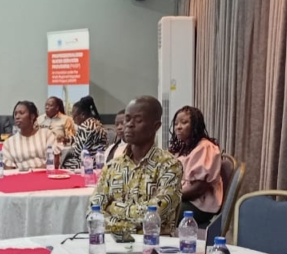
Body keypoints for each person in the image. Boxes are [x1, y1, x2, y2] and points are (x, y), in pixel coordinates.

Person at [90, 96, 183, 236]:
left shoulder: (170, 166)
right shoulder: (112, 166)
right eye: (127, 119)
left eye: (138, 120)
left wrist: (113, 208)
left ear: (156, 126)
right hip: (114, 243)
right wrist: (131, 226)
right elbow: (93, 210)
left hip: (154, 243)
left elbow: (155, 214)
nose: (129, 125)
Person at [168, 106, 222, 226]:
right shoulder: (182, 148)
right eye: (176, 124)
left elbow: (199, 189)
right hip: (184, 198)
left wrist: (171, 196)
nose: (178, 127)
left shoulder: (205, 147)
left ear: (195, 125)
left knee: (160, 212)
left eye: (184, 122)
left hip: (199, 204)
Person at [1, 101, 59, 171]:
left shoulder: (47, 135)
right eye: (15, 114)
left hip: (44, 175)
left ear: (32, 116)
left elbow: (54, 162)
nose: (17, 117)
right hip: (21, 177)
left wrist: (34, 173)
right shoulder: (8, 143)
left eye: (21, 113)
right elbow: (9, 170)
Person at [60, 96, 108, 170]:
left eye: (74, 116)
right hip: (100, 161)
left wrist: (66, 152)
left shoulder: (84, 127)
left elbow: (78, 153)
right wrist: (69, 139)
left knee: (63, 161)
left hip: (88, 163)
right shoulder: (97, 123)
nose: (73, 119)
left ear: (82, 115)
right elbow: (87, 140)